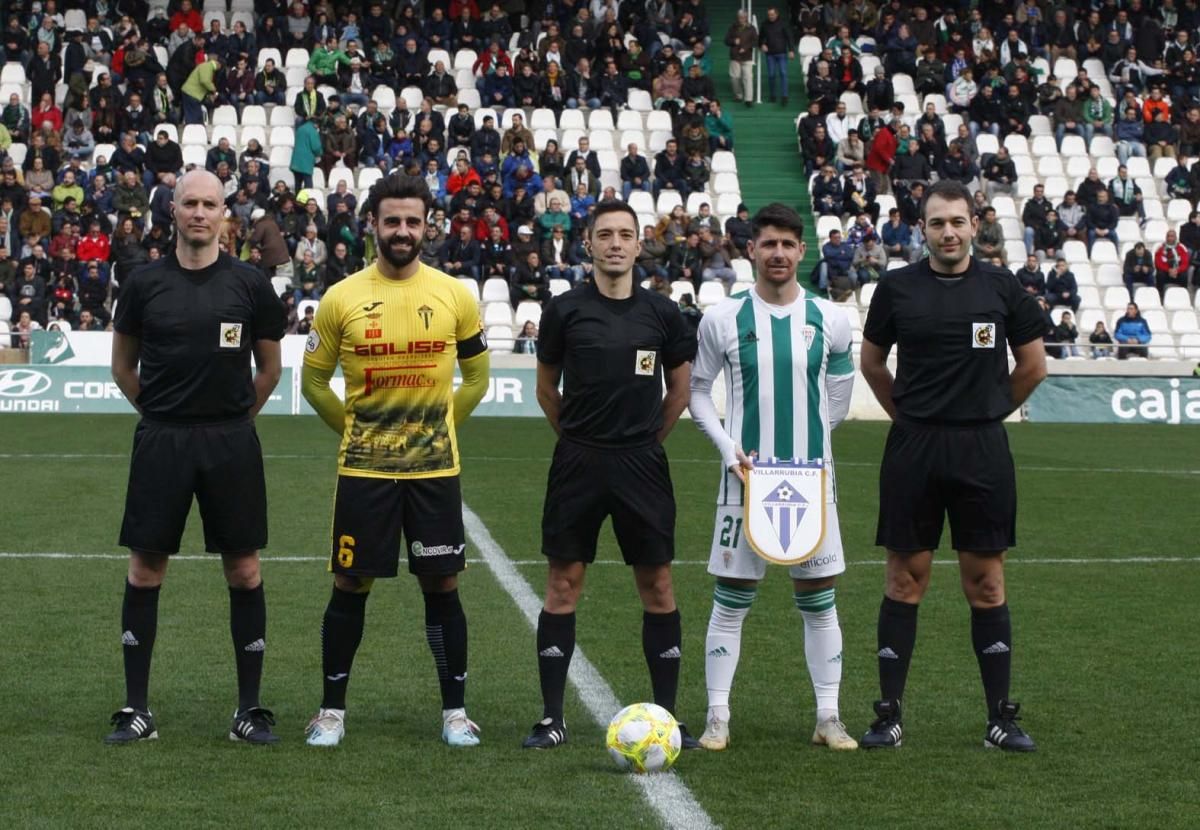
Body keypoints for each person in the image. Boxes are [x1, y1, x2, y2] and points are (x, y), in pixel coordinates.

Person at [300, 175, 490, 749]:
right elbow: (312, 381)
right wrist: (357, 431)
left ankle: (455, 713)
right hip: (365, 472)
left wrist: (434, 428)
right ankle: (332, 712)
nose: (402, 231)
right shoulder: (341, 298)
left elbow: (479, 377)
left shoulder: (455, 294)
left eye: (412, 221)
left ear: (427, 225)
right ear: (373, 226)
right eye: (392, 221)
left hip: (434, 472)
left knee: (442, 582)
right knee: (350, 581)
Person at [858, 179, 1047, 752]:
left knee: (986, 583)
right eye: (937, 223)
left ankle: (999, 717)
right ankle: (888, 714)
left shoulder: (1001, 285)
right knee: (904, 578)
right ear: (923, 229)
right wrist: (911, 417)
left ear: (974, 225)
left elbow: (1034, 365)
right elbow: (871, 363)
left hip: (981, 451)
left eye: (957, 222)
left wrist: (987, 412)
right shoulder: (896, 288)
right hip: (914, 450)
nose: (948, 233)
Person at [105, 170, 286, 745]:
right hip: (162, 440)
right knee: (145, 569)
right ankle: (138, 711)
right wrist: (163, 414)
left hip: (230, 440)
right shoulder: (142, 283)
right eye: (190, 203)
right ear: (174, 211)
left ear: (225, 213)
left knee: (245, 569)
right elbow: (122, 367)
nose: (200, 213)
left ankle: (248, 710)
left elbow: (270, 370)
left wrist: (231, 420)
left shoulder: (252, 285)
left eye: (211, 204)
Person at [523, 201, 698, 750]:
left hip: (642, 464)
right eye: (606, 235)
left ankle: (667, 720)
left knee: (658, 585)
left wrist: (643, 443)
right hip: (578, 460)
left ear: (639, 245)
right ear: (589, 244)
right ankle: (552, 718)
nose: (616, 244)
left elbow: (681, 392)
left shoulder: (664, 314)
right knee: (562, 584)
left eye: (626, 235)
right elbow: (546, 388)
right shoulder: (565, 309)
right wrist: (578, 440)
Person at [688, 203, 858, 753]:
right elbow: (697, 393)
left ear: (802, 250)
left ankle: (828, 717)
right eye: (768, 244)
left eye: (788, 244)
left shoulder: (830, 318)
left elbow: (837, 396)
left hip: (811, 481)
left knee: (819, 597)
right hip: (744, 481)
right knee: (731, 597)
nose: (778, 253)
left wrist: (810, 446)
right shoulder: (722, 318)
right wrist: (728, 448)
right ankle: (718, 717)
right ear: (751, 250)